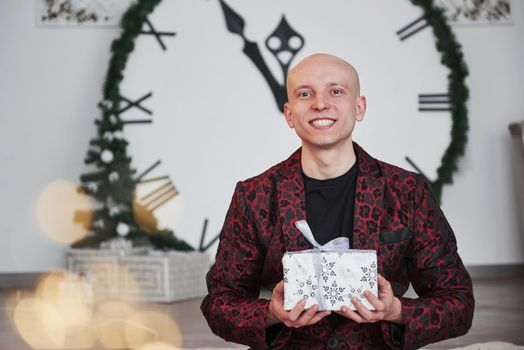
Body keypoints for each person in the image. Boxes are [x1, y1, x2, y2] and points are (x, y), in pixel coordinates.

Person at [201, 53, 474, 349]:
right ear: (289, 114)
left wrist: (395, 310)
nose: (320, 104)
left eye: (336, 91)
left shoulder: (407, 191)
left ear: (359, 107)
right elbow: (219, 304)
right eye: (305, 94)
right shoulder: (255, 196)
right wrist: (270, 313)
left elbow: (458, 303)